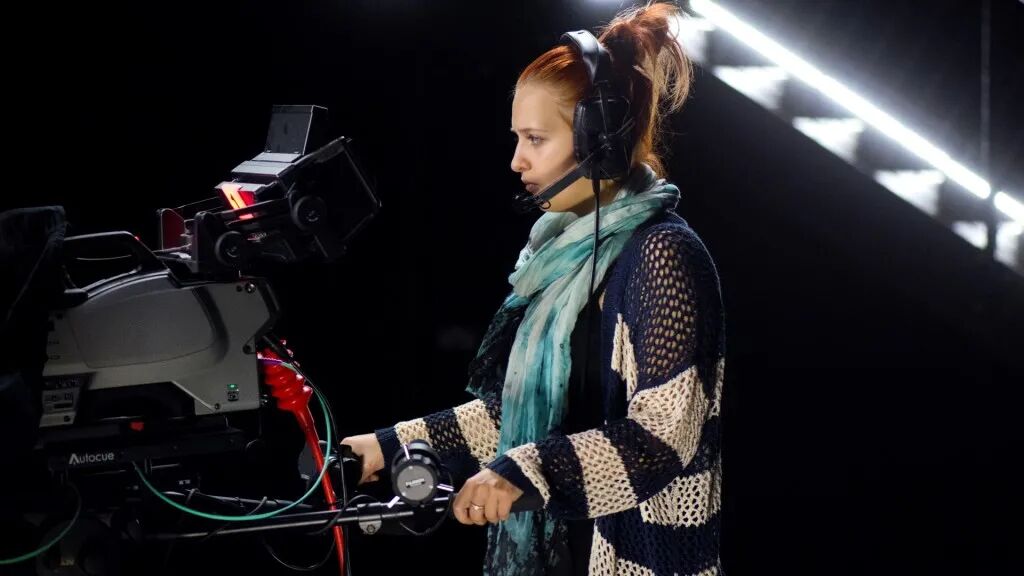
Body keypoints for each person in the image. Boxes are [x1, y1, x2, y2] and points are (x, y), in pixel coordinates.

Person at [342, 3, 726, 575]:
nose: (517, 160)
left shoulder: (662, 255)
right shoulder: (564, 257)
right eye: (518, 137)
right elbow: (529, 415)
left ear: (599, 140)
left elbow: (663, 437)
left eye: (536, 139)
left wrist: (525, 471)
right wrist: (388, 446)